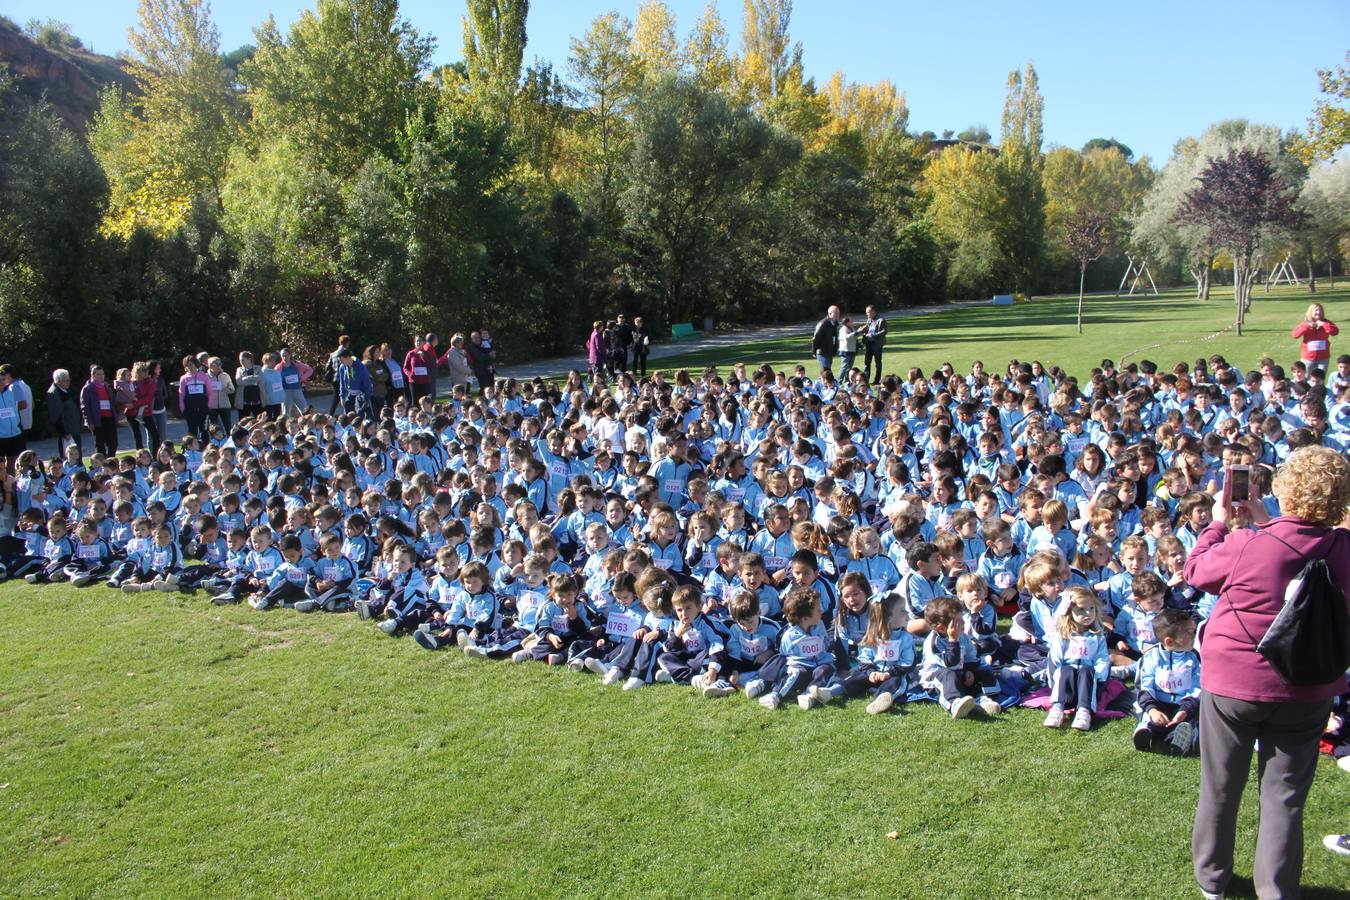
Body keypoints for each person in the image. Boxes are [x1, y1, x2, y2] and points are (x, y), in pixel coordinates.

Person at [1185, 445, 1350, 900]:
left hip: (1236, 682)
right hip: (1308, 687)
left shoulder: (1246, 543)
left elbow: (1195, 571)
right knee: (1285, 797)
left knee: (1221, 786)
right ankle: (1275, 890)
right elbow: (1298, 548)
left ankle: (1212, 879)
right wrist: (1266, 520)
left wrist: (1219, 522)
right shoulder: (1343, 548)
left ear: (1285, 489)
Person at [79, 364, 118, 457]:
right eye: (98, 374)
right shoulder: (87, 389)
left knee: (113, 443)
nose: (101, 376)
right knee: (100, 446)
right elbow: (85, 407)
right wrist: (89, 422)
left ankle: (110, 462)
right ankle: (102, 465)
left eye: (102, 374)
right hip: (97, 420)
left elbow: (112, 403)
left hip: (110, 418)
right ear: (93, 376)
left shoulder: (107, 387)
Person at [44, 368, 81, 458]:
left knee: (77, 456)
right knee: (70, 457)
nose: (68, 382)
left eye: (69, 380)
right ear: (58, 381)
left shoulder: (63, 390)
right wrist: (64, 433)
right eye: (66, 380)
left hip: (73, 429)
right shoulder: (54, 393)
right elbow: (56, 415)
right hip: (67, 432)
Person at [177, 355, 214, 444]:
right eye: (187, 365)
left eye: (190, 364)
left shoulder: (204, 376)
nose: (189, 367)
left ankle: (205, 449)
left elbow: (210, 392)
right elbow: (181, 394)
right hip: (190, 409)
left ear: (195, 364)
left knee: (204, 430)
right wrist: (183, 408)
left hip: (203, 408)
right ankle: (192, 450)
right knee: (192, 431)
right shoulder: (184, 378)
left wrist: (209, 406)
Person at [1291, 302, 1338, 369]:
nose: (1318, 312)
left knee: (1321, 378)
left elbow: (1335, 332)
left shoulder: (1326, 322)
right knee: (1306, 378)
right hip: (1308, 358)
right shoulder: (1305, 323)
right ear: (1311, 312)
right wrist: (1307, 326)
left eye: (1320, 310)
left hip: (1323, 358)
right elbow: (1294, 335)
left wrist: (1324, 325)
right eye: (1316, 310)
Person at [0, 364, 27, 468]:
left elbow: (16, 410)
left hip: (15, 434)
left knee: (14, 463)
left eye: (3, 380)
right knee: (1, 465)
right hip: (1, 436)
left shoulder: (11, 392)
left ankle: (12, 484)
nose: (1, 383)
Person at [811, 305, 841, 377]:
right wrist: (814, 351)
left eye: (838, 313)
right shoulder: (823, 324)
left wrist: (834, 350)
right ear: (830, 314)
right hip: (822, 352)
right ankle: (824, 386)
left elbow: (834, 338)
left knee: (826, 372)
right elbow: (816, 338)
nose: (837, 315)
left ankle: (823, 385)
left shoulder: (835, 324)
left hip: (829, 352)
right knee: (826, 372)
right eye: (835, 313)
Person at [863, 305, 888, 385]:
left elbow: (884, 331)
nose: (867, 314)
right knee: (867, 362)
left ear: (873, 312)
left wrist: (874, 335)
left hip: (877, 344)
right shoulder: (869, 320)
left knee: (877, 363)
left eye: (868, 312)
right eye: (866, 313)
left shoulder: (881, 320)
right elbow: (867, 329)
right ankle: (865, 380)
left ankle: (877, 380)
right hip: (869, 344)